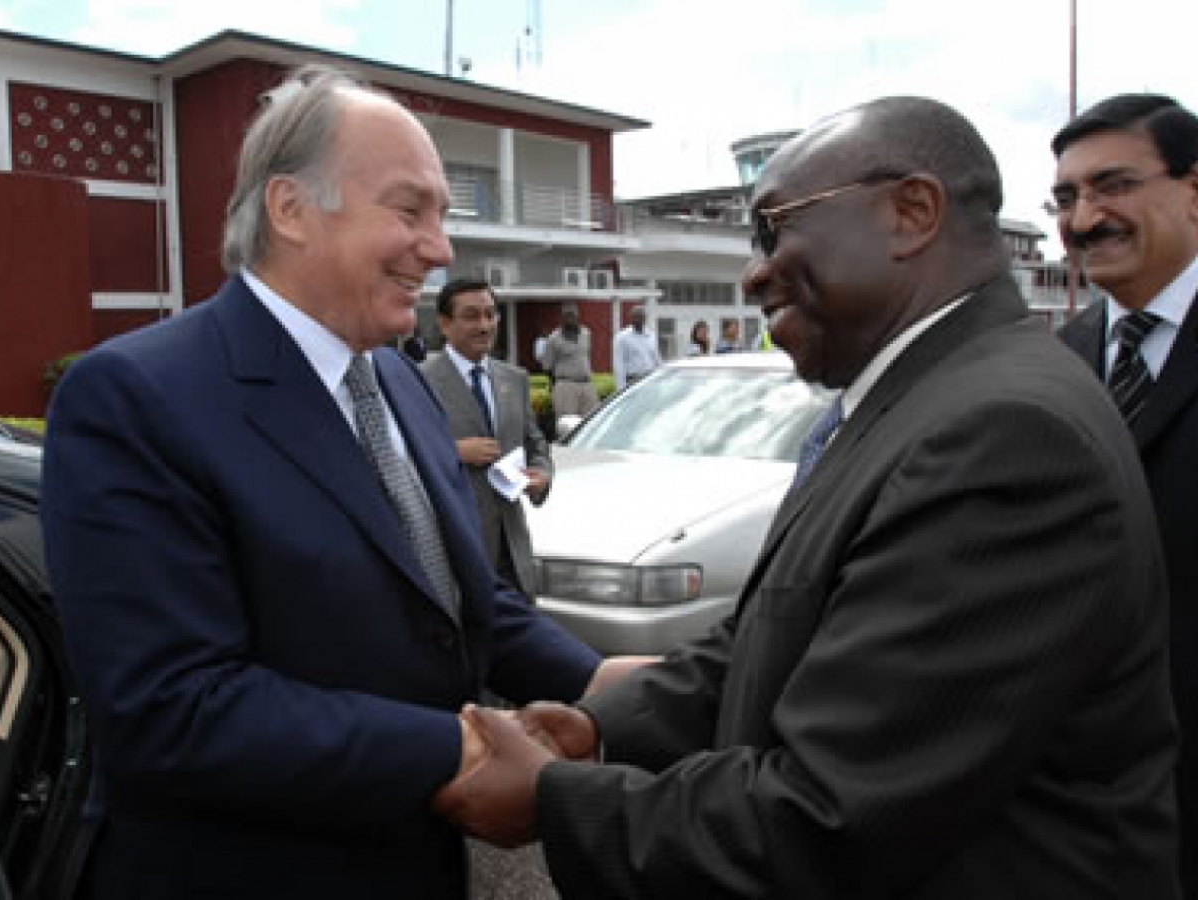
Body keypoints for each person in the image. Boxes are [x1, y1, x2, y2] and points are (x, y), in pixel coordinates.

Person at [434, 96, 1181, 897]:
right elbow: (782, 631)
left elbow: (834, 814)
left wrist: (554, 801)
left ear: (911, 212)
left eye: (774, 228)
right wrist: (596, 727)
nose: (754, 270)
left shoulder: (1003, 431)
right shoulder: (917, 398)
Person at [40, 65, 632, 900]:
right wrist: (459, 751)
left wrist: (600, 684)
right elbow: (172, 706)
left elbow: (458, 600)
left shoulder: (396, 380)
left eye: (443, 216)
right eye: (410, 210)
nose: (441, 248)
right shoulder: (134, 398)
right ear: (290, 209)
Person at [1051, 92, 1198, 899]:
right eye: (1067, 197)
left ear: (1193, 190)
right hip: (1090, 793)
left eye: (1113, 186)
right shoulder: (1056, 361)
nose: (1083, 219)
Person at [422, 278, 551, 597]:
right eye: (471, 316)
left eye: (491, 314)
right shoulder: (418, 380)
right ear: (444, 323)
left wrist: (542, 476)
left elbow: (535, 444)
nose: (484, 325)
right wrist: (452, 452)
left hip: (513, 551)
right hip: (456, 550)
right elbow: (403, 454)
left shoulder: (514, 378)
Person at [541, 302, 598, 418]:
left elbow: (586, 356)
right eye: (567, 315)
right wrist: (558, 384)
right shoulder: (553, 338)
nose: (570, 318)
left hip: (586, 384)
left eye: (572, 315)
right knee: (567, 425)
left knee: (591, 422)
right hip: (565, 385)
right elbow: (547, 367)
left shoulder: (586, 333)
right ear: (561, 318)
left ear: (577, 316)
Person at [612, 305, 662, 388]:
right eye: (635, 317)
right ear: (630, 318)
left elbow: (657, 359)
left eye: (641, 316)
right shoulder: (621, 337)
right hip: (632, 381)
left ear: (645, 318)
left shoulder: (651, 336)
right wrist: (621, 388)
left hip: (649, 381)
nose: (638, 319)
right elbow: (618, 364)